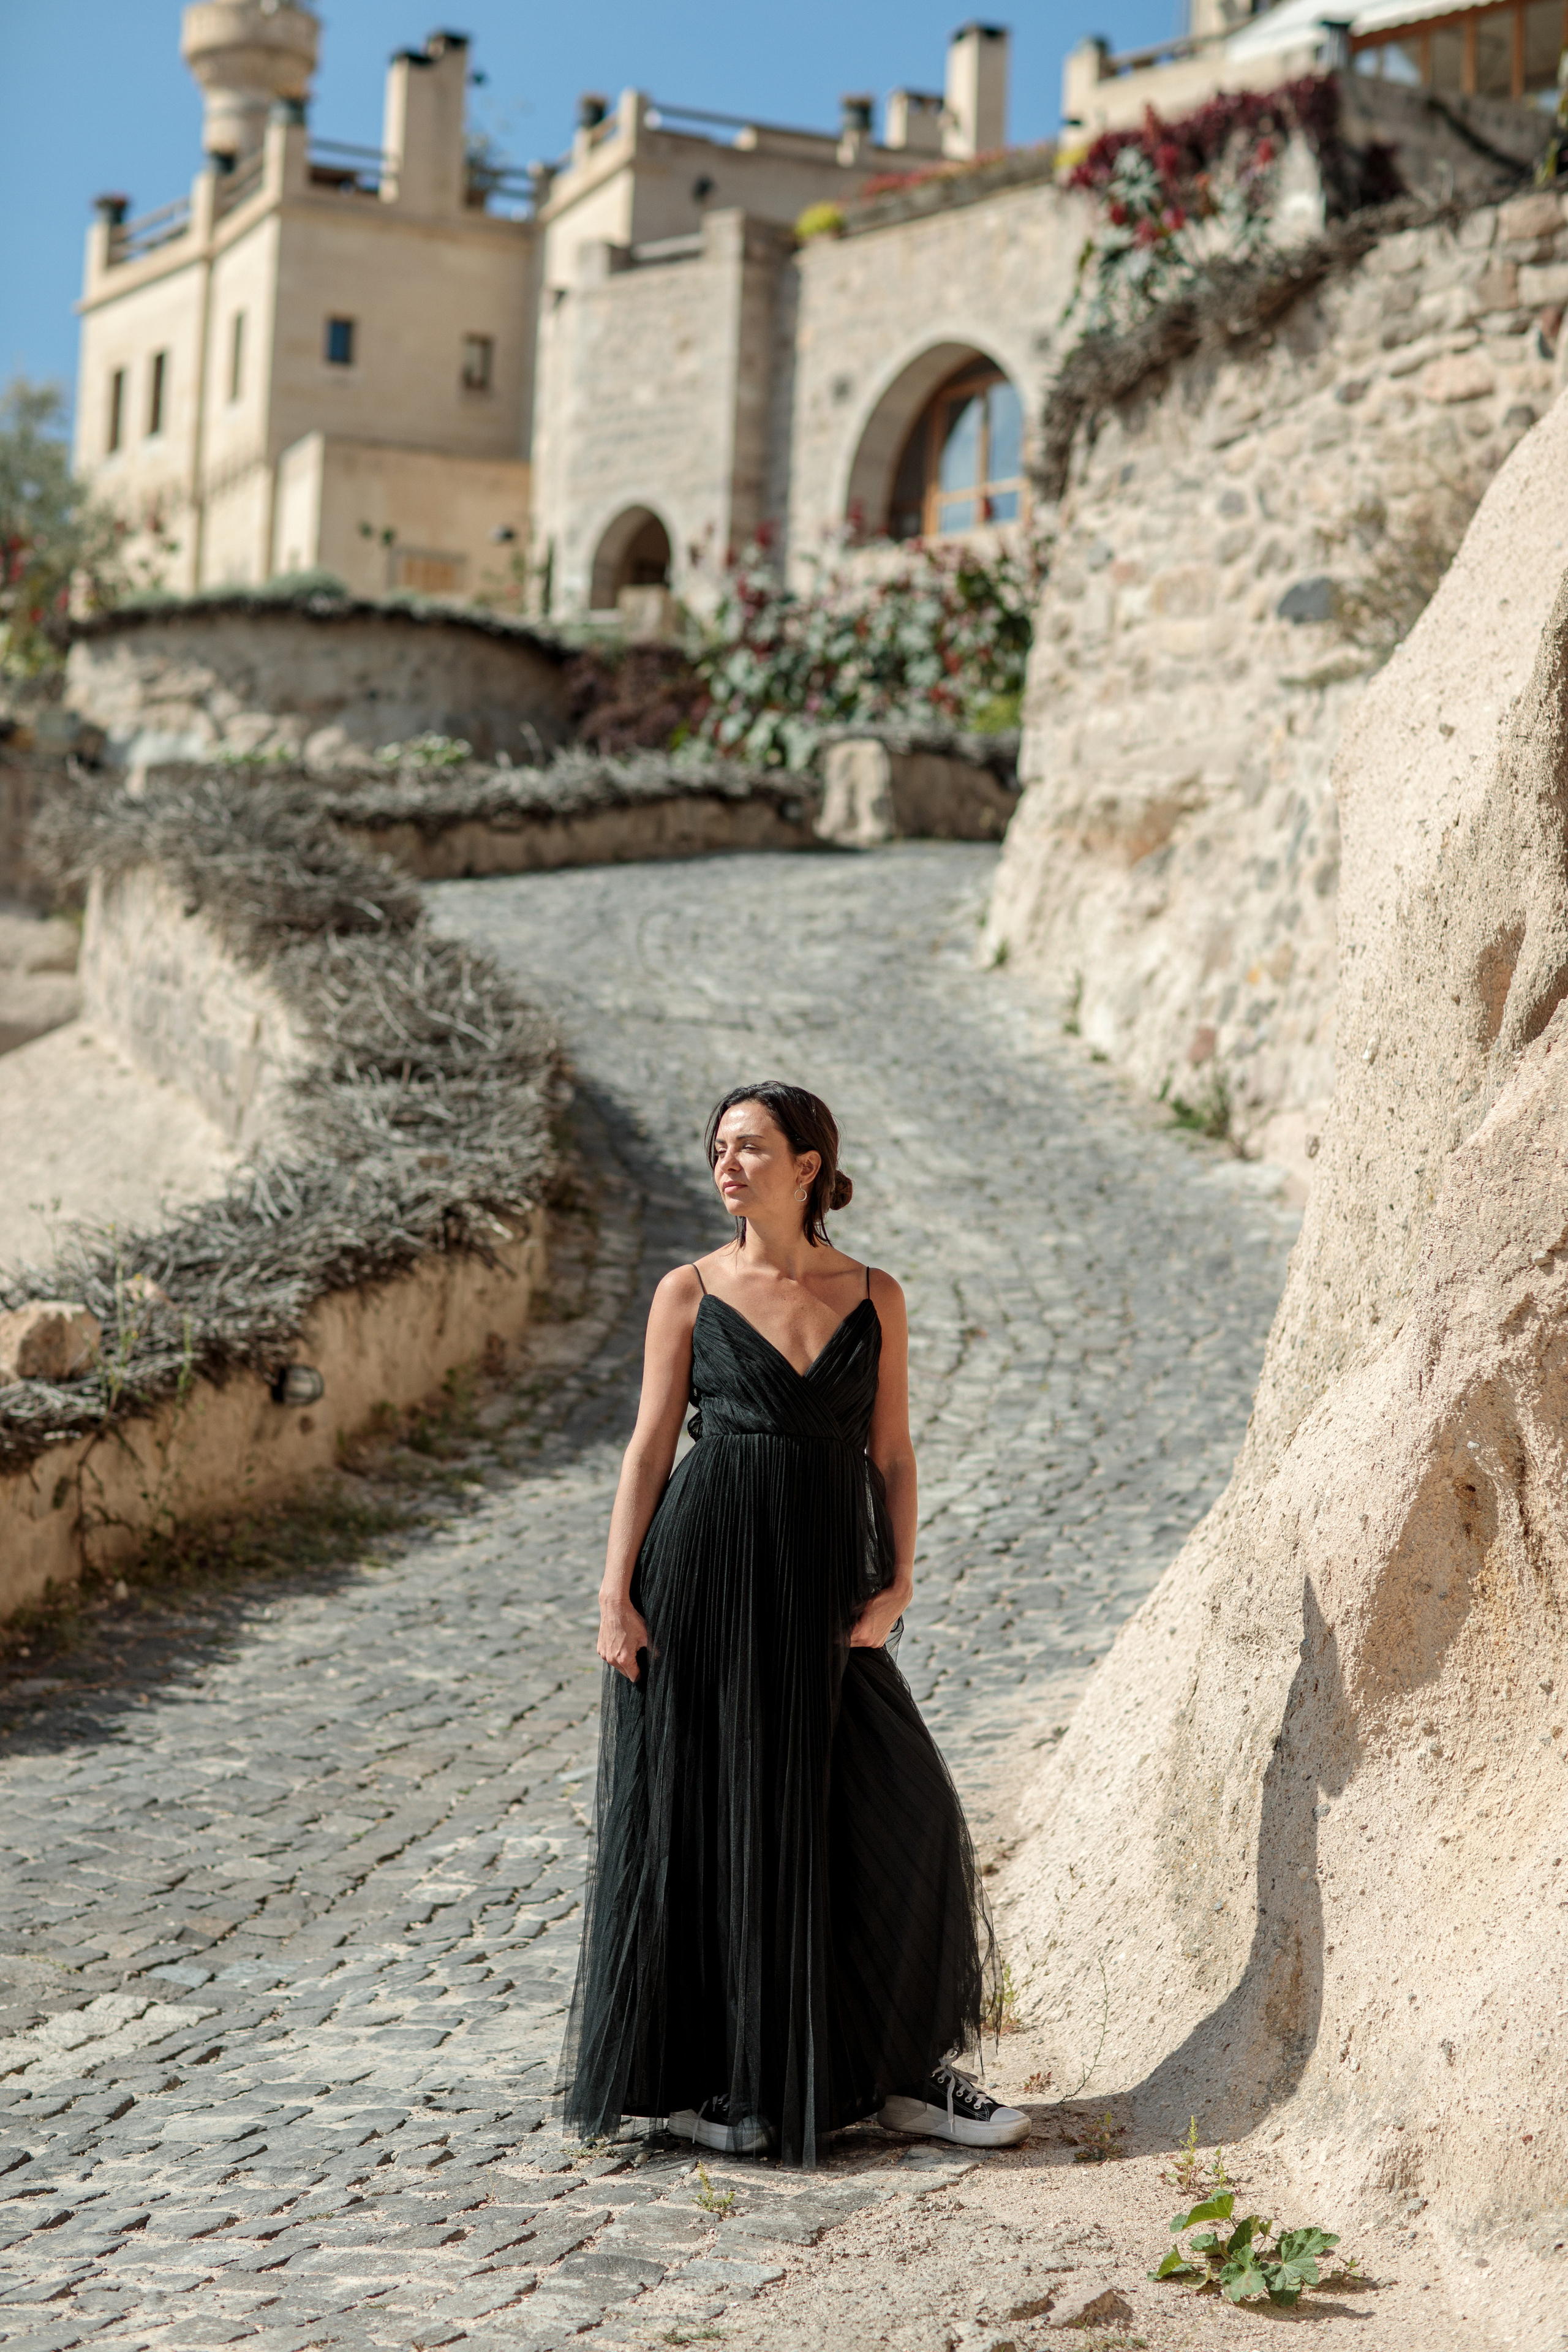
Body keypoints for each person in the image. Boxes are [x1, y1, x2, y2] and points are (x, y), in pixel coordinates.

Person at [557, 1081, 1027, 2168]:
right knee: (712, 1819)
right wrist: (614, 1594)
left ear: (809, 1165)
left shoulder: (875, 1294)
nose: (727, 1164)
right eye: (719, 1148)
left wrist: (898, 1580)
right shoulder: (689, 1290)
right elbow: (646, 1449)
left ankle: (900, 2076)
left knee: (896, 1812)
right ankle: (711, 2085)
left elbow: (895, 1455)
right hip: (703, 1582)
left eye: (752, 1147)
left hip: (826, 1593)